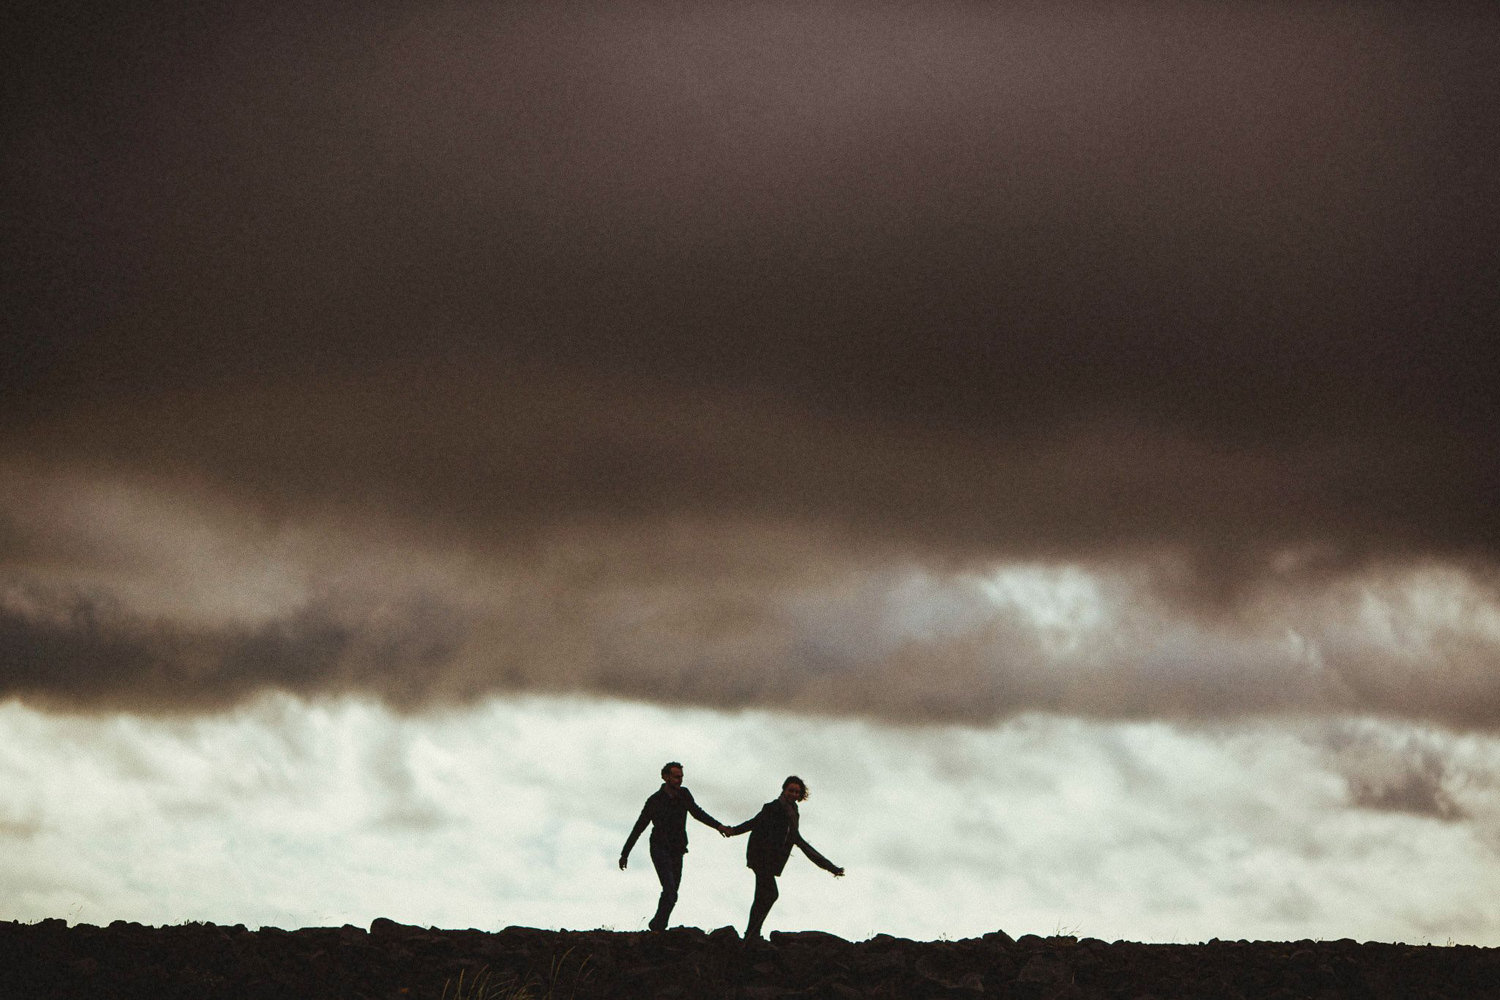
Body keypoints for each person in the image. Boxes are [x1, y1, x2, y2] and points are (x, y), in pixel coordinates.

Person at [727, 775, 844, 942]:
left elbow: (800, 842)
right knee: (770, 894)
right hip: (760, 856)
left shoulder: (793, 813)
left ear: (800, 795)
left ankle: (752, 934)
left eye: (797, 792)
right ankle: (751, 934)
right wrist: (733, 831)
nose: (793, 794)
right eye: (791, 790)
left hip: (771, 861)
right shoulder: (773, 807)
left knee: (763, 895)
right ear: (784, 790)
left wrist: (829, 867)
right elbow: (754, 823)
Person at [619, 761, 731, 932]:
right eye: (676, 777)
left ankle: (657, 925)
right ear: (666, 777)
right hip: (659, 848)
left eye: (681, 777)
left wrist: (718, 826)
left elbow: (697, 813)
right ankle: (659, 927)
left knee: (672, 894)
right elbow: (639, 827)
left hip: (677, 849)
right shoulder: (654, 801)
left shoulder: (684, 794)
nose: (680, 780)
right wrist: (625, 854)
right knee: (670, 890)